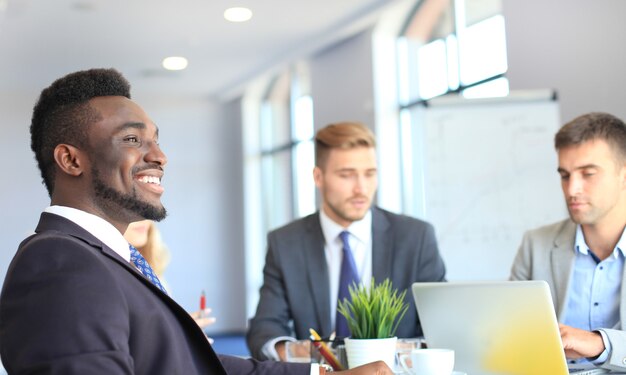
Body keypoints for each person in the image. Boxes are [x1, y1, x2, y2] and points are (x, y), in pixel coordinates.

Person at [0, 68, 392, 375]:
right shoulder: (59, 265)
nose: (160, 156)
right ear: (71, 160)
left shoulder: (106, 259)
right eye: (133, 140)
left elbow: (198, 366)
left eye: (155, 139)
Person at [246, 121, 447, 361]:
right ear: (318, 177)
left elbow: (442, 329)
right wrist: (302, 352)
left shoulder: (416, 238)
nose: (361, 188)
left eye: (370, 174)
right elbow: (264, 330)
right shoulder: (285, 243)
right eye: (347, 175)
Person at [510, 112, 626, 371]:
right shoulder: (535, 245)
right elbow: (510, 335)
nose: (572, 189)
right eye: (565, 175)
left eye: (588, 174)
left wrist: (601, 344)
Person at [125, 220, 216, 329]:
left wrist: (182, 327)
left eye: (144, 209)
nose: (143, 218)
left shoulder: (148, 266)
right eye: (131, 206)